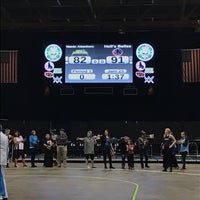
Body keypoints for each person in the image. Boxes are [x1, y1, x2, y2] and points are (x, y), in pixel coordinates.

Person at [0, 125, 9, 200]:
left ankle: (3, 194)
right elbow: (7, 149)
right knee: (2, 177)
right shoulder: (4, 136)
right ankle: (4, 194)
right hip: (3, 158)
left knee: (1, 177)